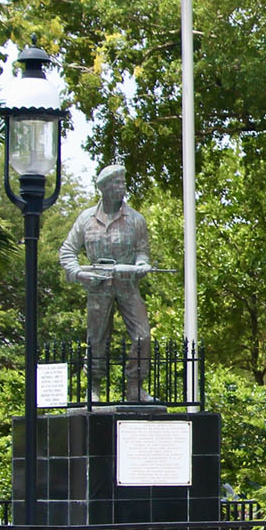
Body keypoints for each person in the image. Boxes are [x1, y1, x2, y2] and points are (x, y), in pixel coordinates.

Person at [58, 164, 154, 402]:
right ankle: (94, 387)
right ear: (103, 188)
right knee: (97, 338)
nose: (121, 187)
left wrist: (142, 265)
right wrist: (79, 273)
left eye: (122, 183)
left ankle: (134, 387)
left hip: (127, 285)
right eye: (115, 183)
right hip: (98, 286)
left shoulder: (136, 220)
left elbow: (143, 251)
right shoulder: (86, 219)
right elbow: (67, 251)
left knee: (142, 336)